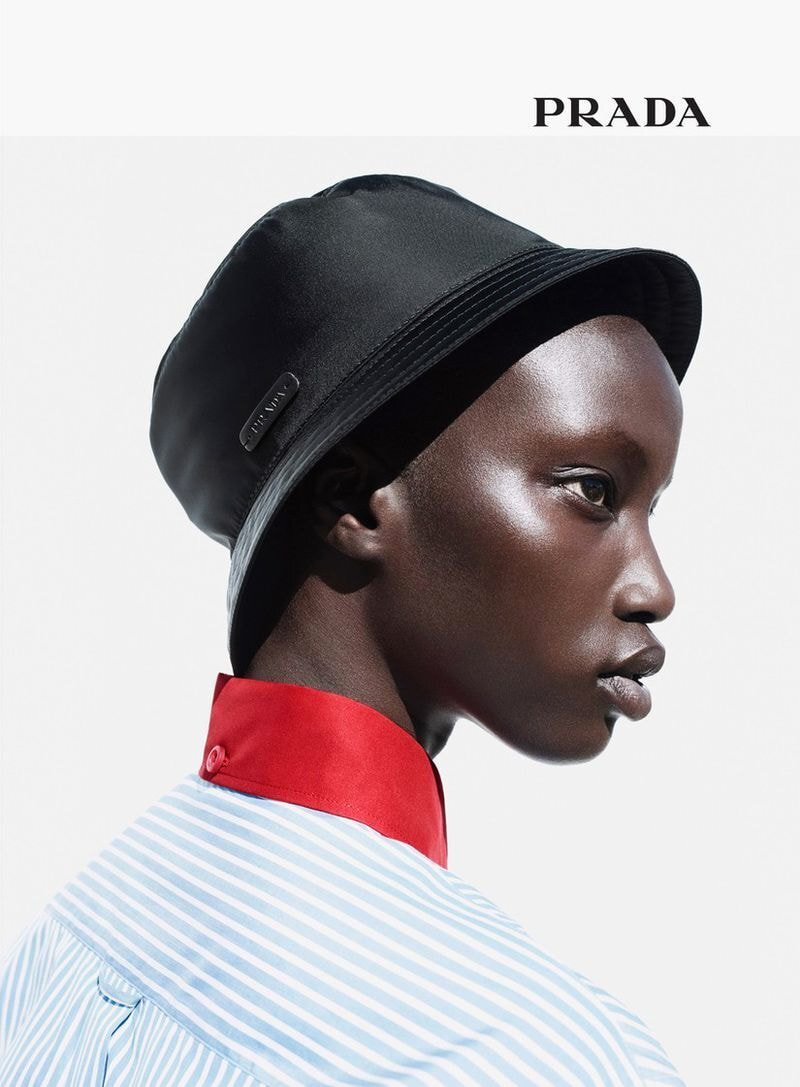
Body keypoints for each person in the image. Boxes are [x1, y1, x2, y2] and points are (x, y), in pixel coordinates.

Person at [0, 174, 701, 1086]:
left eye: (651, 508)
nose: (655, 587)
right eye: (594, 491)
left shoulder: (67, 939)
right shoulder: (541, 1054)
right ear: (356, 500)